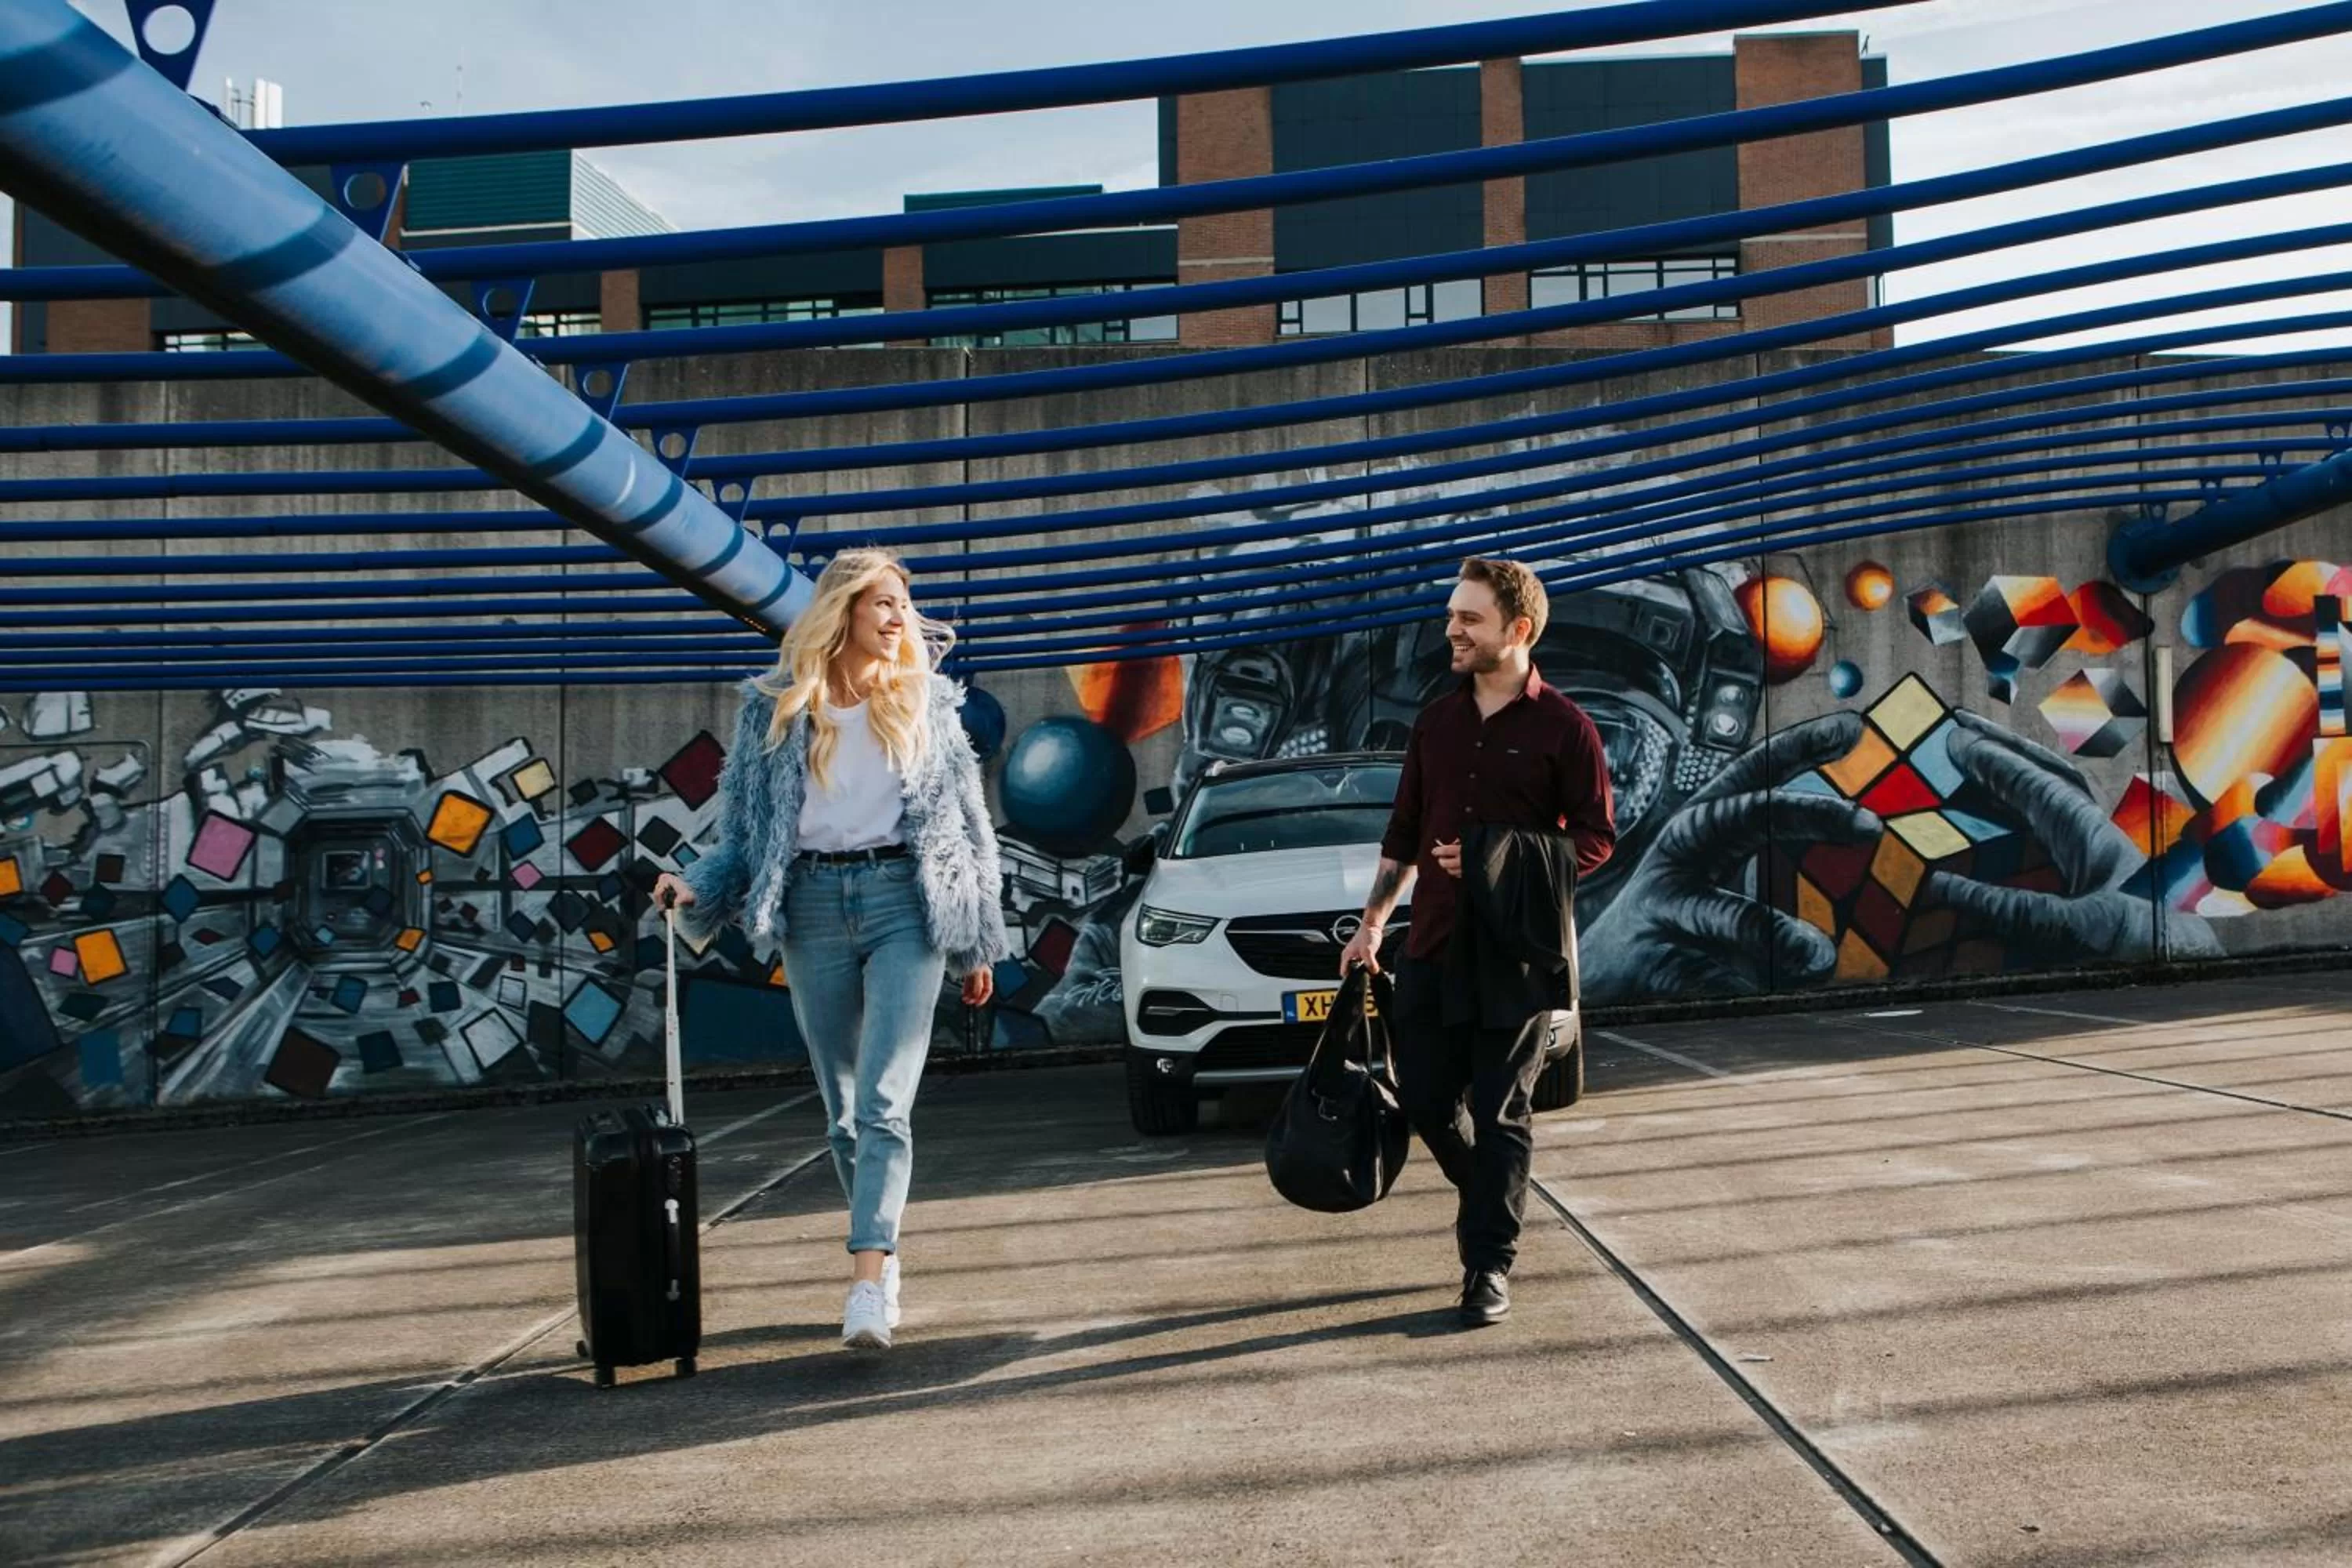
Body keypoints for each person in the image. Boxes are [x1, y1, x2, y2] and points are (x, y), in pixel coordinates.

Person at [654, 549, 1011, 1352]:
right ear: (841, 612)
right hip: (811, 906)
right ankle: (884, 1254)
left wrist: (978, 937)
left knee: (886, 1100)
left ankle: (864, 1282)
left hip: (904, 906)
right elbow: (745, 831)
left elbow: (968, 828)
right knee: (843, 1114)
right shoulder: (774, 710)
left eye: (904, 607)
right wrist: (694, 887)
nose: (899, 620)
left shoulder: (929, 703)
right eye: (882, 604)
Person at [1338, 557, 1615, 1328]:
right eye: (1453, 614)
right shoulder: (1436, 721)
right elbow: (1403, 834)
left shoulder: (1567, 728)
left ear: (1517, 630)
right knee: (1425, 1097)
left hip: (1517, 957)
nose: (1451, 629)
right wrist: (1370, 924)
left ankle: (1487, 1262)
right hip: (1430, 945)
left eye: (1469, 618)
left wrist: (1502, 851)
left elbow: (1595, 839)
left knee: (1501, 1115)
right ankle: (1491, 1194)